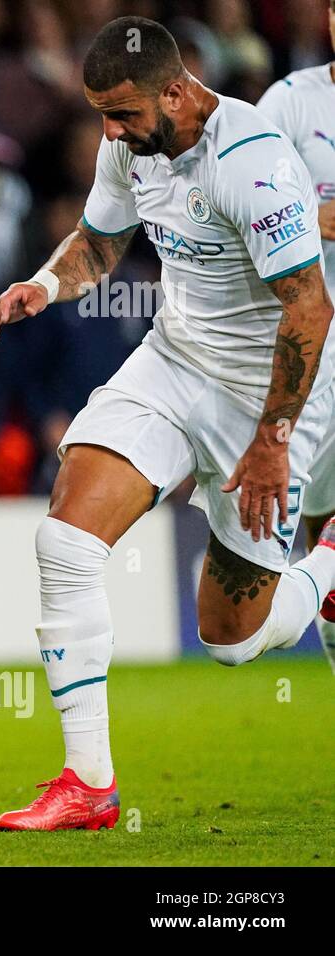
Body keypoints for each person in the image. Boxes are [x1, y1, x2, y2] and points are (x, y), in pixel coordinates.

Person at [0, 17, 335, 831]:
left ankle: (324, 566)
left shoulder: (251, 161)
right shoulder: (128, 146)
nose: (110, 132)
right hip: (173, 365)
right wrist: (46, 283)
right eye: (101, 114)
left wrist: (273, 442)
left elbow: (309, 309)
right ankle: (88, 785)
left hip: (267, 394)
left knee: (230, 639)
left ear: (176, 91)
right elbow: (100, 245)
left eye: (123, 114)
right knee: (64, 540)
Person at [256, 2, 335, 671]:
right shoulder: (286, 102)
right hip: (312, 340)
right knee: (319, 521)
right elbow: (235, 198)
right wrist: (310, 216)